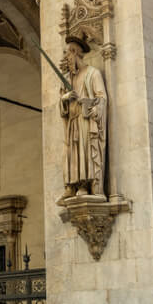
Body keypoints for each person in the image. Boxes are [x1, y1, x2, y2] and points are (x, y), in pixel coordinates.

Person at [59, 37, 108, 198]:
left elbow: (102, 98)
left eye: (67, 54)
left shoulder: (93, 73)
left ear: (75, 53)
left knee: (85, 152)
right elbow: (62, 106)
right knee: (72, 153)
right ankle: (72, 185)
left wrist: (93, 107)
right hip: (72, 122)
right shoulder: (68, 78)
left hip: (85, 120)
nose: (65, 58)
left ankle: (86, 184)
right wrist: (65, 98)